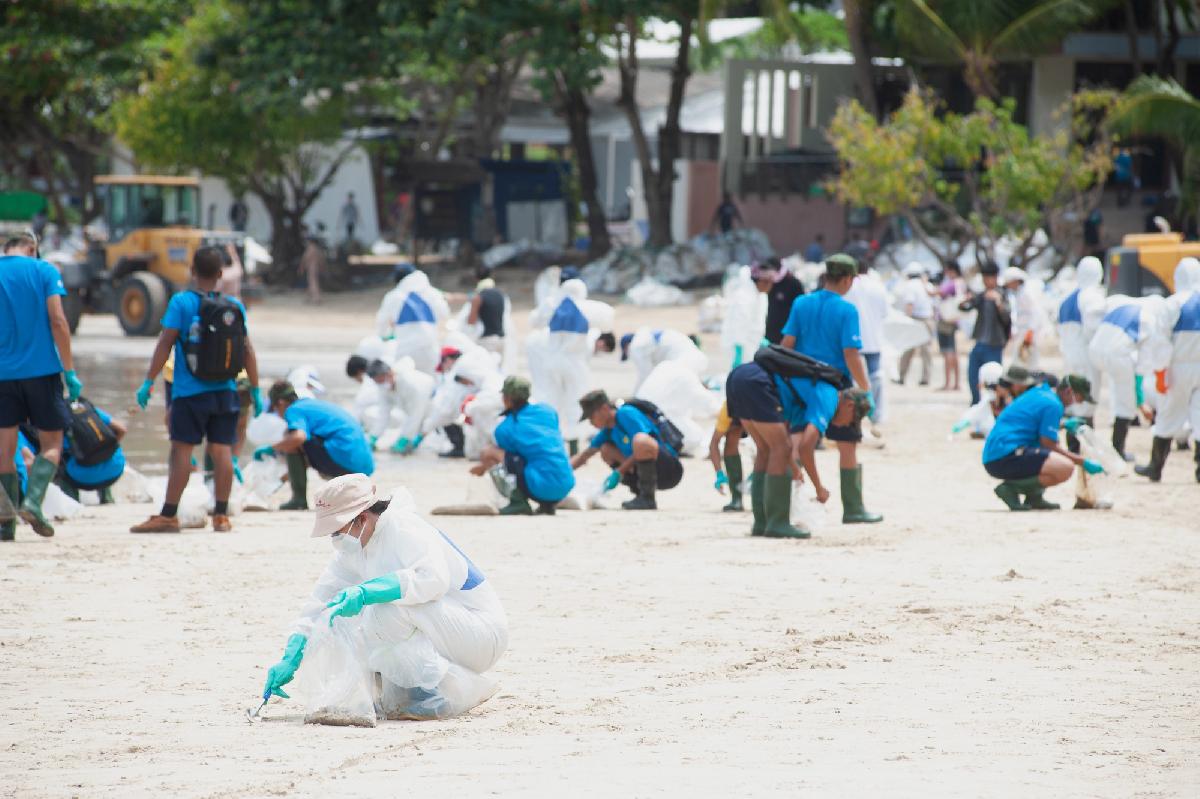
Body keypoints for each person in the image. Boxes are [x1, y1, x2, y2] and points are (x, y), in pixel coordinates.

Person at [261, 475, 508, 722]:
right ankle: (413, 692)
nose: (335, 539)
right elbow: (319, 605)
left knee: (384, 611)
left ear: (362, 518)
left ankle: (428, 693)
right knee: (343, 619)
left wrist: (366, 591)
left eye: (337, 530)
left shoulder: (406, 528)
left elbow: (433, 580)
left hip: (481, 636)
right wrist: (290, 657)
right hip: (445, 632)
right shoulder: (354, 550)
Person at [131, 246, 259, 534]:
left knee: (181, 450)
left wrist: (149, 381)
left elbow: (165, 343)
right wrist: (257, 388)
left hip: (190, 393)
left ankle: (168, 515)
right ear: (220, 274)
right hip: (226, 390)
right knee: (222, 451)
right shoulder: (233, 306)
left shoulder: (182, 302)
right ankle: (222, 516)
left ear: (192, 271)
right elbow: (248, 349)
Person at [780, 254, 882, 524]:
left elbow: (787, 343)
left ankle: (789, 505)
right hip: (835, 388)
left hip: (799, 384)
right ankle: (853, 508)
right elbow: (851, 354)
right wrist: (866, 389)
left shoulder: (801, 303)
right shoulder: (847, 311)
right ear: (847, 279)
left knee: (796, 442)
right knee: (847, 445)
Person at [0, 247, 81, 539]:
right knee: (52, 442)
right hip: (42, 371)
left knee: (4, 450)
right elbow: (58, 320)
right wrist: (69, 371)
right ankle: (33, 503)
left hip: (2, 374)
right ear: (32, 248)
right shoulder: (44, 270)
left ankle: (5, 525)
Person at [982, 367, 1094, 511]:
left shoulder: (1043, 394)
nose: (1077, 404)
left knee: (1049, 455)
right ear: (1069, 392)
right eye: (1080, 399)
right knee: (1064, 467)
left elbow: (1032, 425)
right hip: (1004, 455)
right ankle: (1010, 489)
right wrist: (1082, 462)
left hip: (997, 454)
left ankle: (1034, 497)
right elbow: (1048, 444)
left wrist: (1064, 425)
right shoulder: (1053, 405)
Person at [260, 381, 375, 511]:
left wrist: (273, 448)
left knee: (291, 439)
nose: (278, 414)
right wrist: (282, 478)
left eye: (275, 409)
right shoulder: (311, 404)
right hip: (363, 466)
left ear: (280, 403)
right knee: (296, 440)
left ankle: (299, 500)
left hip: (344, 459)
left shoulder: (293, 410)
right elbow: (304, 460)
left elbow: (298, 438)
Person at [470, 377, 574, 515]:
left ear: (506, 398)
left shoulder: (505, 428)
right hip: (565, 484)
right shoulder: (547, 411)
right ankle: (547, 506)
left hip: (540, 486)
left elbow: (508, 457)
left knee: (489, 452)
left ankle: (518, 501)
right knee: (538, 457)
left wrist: (483, 466)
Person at [1138, 258, 1200, 481]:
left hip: (1179, 368)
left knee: (1167, 416)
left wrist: (1160, 373)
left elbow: (1161, 342)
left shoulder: (1173, 304)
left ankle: (1155, 467)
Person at [1089, 295, 1172, 461]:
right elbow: (1143, 365)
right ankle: (1117, 451)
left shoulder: (1121, 307)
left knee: (1101, 392)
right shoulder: (1149, 321)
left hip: (1094, 351)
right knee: (1126, 404)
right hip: (1118, 356)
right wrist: (1140, 402)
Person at [571, 390, 682, 511]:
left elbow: (645, 442)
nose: (591, 423)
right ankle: (640, 495)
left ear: (604, 409)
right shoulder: (607, 431)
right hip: (646, 470)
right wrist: (561, 472)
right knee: (606, 450)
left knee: (640, 441)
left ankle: (647, 499)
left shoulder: (626, 413)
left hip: (668, 468)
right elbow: (584, 456)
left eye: (591, 417)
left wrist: (619, 471)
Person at [1056, 256, 1107, 450]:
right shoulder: (1091, 296)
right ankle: (1086, 450)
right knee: (1086, 405)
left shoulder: (1065, 299)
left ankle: (1074, 448)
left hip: (1069, 357)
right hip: (1086, 357)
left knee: (1073, 404)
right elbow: (1094, 328)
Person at [376, 269, 450, 374]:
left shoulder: (393, 295)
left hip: (404, 349)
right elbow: (444, 314)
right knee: (431, 382)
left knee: (405, 382)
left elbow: (381, 321)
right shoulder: (433, 293)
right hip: (429, 347)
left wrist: (383, 336)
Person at [845, 258, 889, 425]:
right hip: (874, 339)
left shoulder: (848, 287)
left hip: (852, 341)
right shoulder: (878, 286)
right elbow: (885, 313)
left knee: (852, 378)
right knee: (876, 377)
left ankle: (854, 415)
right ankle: (875, 414)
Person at [960, 262, 1011, 406]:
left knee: (993, 378)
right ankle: (976, 403)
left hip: (995, 344)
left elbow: (1007, 317)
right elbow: (965, 307)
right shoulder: (981, 295)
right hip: (980, 342)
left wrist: (998, 302)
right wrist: (966, 300)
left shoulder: (1002, 294)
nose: (985, 281)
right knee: (973, 376)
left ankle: (994, 405)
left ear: (994, 278)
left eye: (988, 277)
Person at [56, 402, 126, 503]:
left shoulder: (56, 417)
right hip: (114, 472)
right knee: (101, 445)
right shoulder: (90, 410)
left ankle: (71, 499)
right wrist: (111, 448)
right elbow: (122, 430)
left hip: (82, 479)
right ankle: (106, 496)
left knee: (53, 456)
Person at [366, 357, 434, 454]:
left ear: (390, 373)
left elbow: (415, 414)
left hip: (431, 402)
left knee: (432, 426)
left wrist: (404, 438)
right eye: (377, 381)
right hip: (413, 410)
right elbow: (383, 415)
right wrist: (373, 436)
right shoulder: (383, 388)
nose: (380, 384)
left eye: (381, 380)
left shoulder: (411, 384)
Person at [620, 328, 708, 392]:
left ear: (626, 346)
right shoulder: (646, 336)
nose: (629, 355)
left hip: (682, 359)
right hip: (694, 356)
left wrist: (635, 397)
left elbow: (645, 375)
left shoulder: (636, 346)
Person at [895, 262, 935, 386]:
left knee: (908, 349)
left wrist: (907, 321)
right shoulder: (927, 285)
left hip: (915, 319)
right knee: (926, 351)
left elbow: (910, 304)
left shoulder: (909, 286)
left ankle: (901, 376)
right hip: (928, 318)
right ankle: (926, 378)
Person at [751, 257, 805, 345]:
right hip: (770, 336)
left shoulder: (793, 284)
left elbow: (799, 313)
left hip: (787, 337)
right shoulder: (770, 284)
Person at [1003, 267, 1046, 368]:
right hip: (1022, 333)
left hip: (1028, 334)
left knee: (1029, 364)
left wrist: (1030, 333)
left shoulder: (1027, 293)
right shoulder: (1019, 294)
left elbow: (1036, 313)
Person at [707, 402, 746, 513]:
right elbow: (714, 443)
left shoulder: (729, 407)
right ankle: (737, 499)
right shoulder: (728, 409)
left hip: (755, 404)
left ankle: (737, 499)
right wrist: (719, 474)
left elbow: (713, 443)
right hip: (745, 404)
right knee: (731, 439)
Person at [936, 263, 966, 392]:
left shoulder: (953, 283)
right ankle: (956, 383)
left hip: (946, 320)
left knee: (948, 352)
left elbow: (939, 293)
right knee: (953, 351)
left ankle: (948, 383)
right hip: (955, 320)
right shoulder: (962, 283)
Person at [467, 274, 507, 356]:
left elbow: (471, 321)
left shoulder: (478, 298)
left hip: (487, 340)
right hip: (501, 339)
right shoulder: (500, 295)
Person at [298, 227, 326, 305]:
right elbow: (322, 259)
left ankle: (317, 298)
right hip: (317, 267)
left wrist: (301, 267)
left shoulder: (310, 248)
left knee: (313, 282)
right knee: (312, 282)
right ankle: (309, 297)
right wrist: (322, 267)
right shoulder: (318, 250)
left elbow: (305, 258)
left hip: (311, 267)